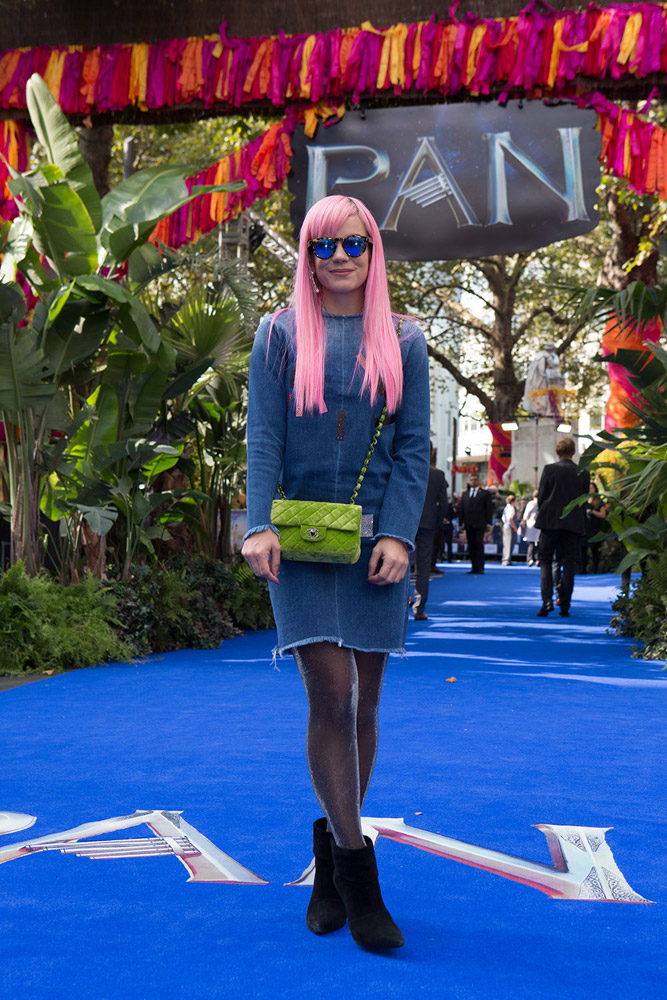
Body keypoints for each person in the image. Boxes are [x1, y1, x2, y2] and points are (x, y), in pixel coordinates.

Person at [241, 195, 430, 951]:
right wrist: (257, 523)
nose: (341, 257)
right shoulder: (279, 333)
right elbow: (264, 438)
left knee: (364, 706)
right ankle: (357, 870)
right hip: (296, 541)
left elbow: (412, 449)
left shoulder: (406, 338)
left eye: (354, 244)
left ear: (372, 252)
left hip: (375, 547)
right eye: (325, 246)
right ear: (308, 257)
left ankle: (329, 857)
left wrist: (401, 536)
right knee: (333, 692)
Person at [535, 436, 590, 617]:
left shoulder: (550, 469)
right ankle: (565, 605)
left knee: (545, 561)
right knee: (569, 563)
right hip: (572, 523)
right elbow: (584, 500)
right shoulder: (583, 472)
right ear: (573, 452)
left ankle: (547, 601)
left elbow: (541, 496)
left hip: (550, 522)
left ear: (557, 452)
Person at [413, 446, 448, 620]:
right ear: (432, 452)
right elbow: (443, 504)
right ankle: (419, 609)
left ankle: (403, 600)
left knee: (401, 564)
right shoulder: (438, 475)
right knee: (423, 567)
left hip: (406, 523)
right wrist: (436, 523)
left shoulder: (406, 469)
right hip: (427, 526)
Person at [460, 473, 493, 574]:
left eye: (475, 479)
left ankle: (480, 567)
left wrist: (488, 523)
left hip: (480, 524)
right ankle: (473, 567)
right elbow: (462, 510)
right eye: (471, 480)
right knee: (471, 546)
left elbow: (489, 509)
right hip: (468, 524)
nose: (473, 481)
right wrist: (461, 524)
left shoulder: (485, 494)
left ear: (479, 481)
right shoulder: (465, 494)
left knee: (479, 545)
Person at [582, 481, 608, 573]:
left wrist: (593, 512)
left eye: (592, 488)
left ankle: (595, 569)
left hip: (594, 529)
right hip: (585, 529)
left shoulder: (599, 502)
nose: (590, 490)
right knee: (583, 550)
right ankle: (582, 569)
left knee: (595, 550)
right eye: (588, 488)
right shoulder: (583, 501)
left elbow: (603, 515)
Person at [521, 489, 540, 565]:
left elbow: (526, 515)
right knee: (538, 543)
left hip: (531, 525)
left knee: (531, 543)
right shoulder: (541, 503)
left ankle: (530, 559)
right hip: (538, 524)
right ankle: (538, 559)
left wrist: (524, 521)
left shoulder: (531, 503)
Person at [501, 494, 518, 565]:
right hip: (509, 528)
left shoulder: (506, 508)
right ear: (513, 501)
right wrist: (515, 527)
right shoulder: (511, 508)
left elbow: (503, 518)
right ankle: (507, 560)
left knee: (506, 543)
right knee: (509, 543)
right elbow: (510, 519)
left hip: (505, 527)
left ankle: (505, 559)